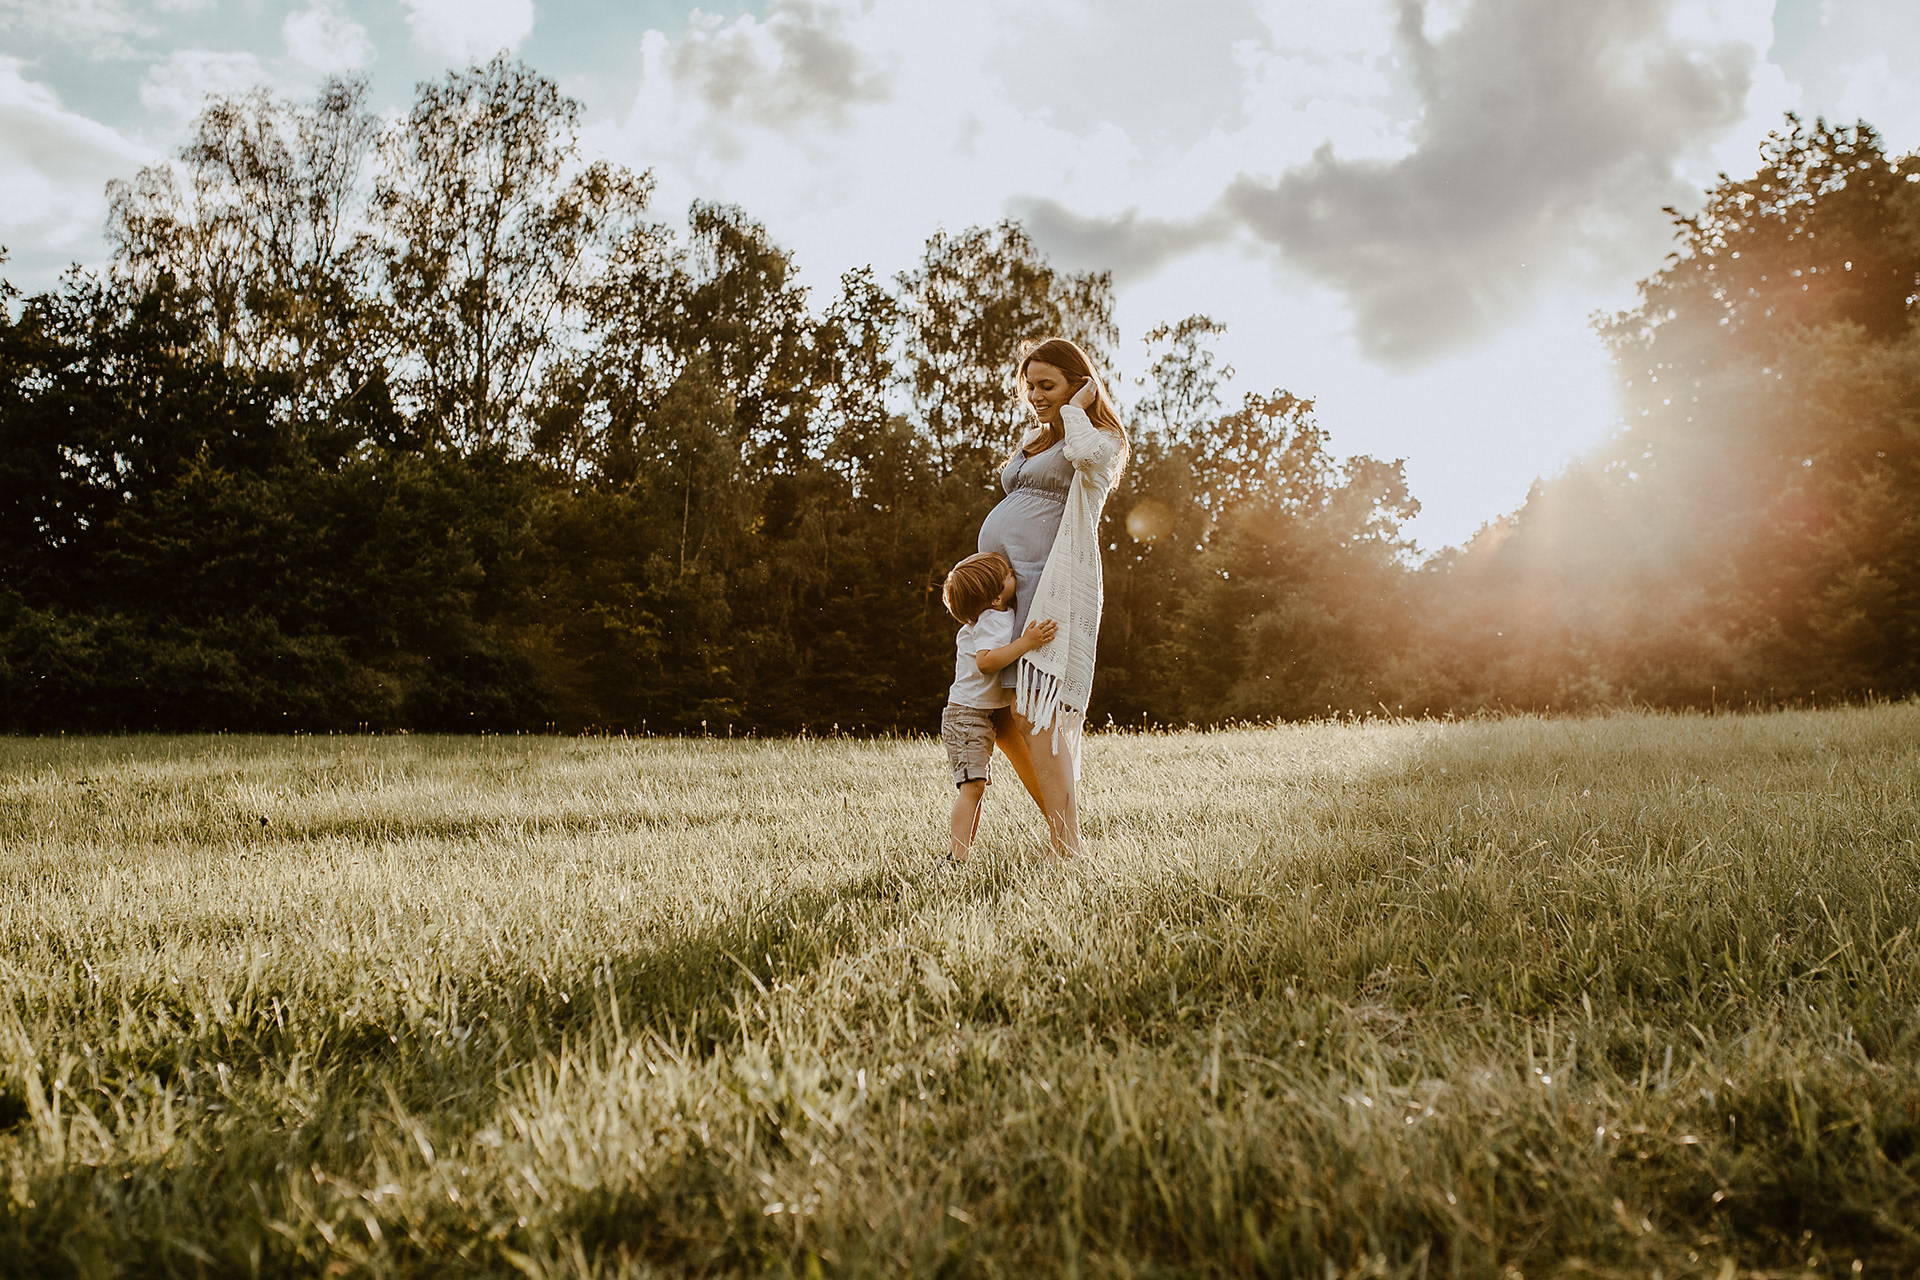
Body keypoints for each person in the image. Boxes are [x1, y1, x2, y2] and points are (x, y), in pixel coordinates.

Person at [976, 337, 1128, 857]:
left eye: (1049, 385)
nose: (1037, 395)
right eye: (1032, 385)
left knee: (1036, 711)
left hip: (1047, 587)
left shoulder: (1099, 437)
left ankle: (1067, 842)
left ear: (1076, 384)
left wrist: (1075, 411)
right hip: (1005, 592)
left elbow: (1087, 460)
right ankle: (1065, 830)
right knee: (998, 716)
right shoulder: (1034, 437)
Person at [938, 551, 1057, 862]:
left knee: (975, 787)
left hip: (981, 714)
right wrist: (1027, 643)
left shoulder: (996, 614)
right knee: (973, 786)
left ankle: (959, 855)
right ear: (994, 598)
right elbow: (986, 662)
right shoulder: (992, 620)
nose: (1013, 572)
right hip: (967, 716)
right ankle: (957, 857)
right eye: (1007, 572)